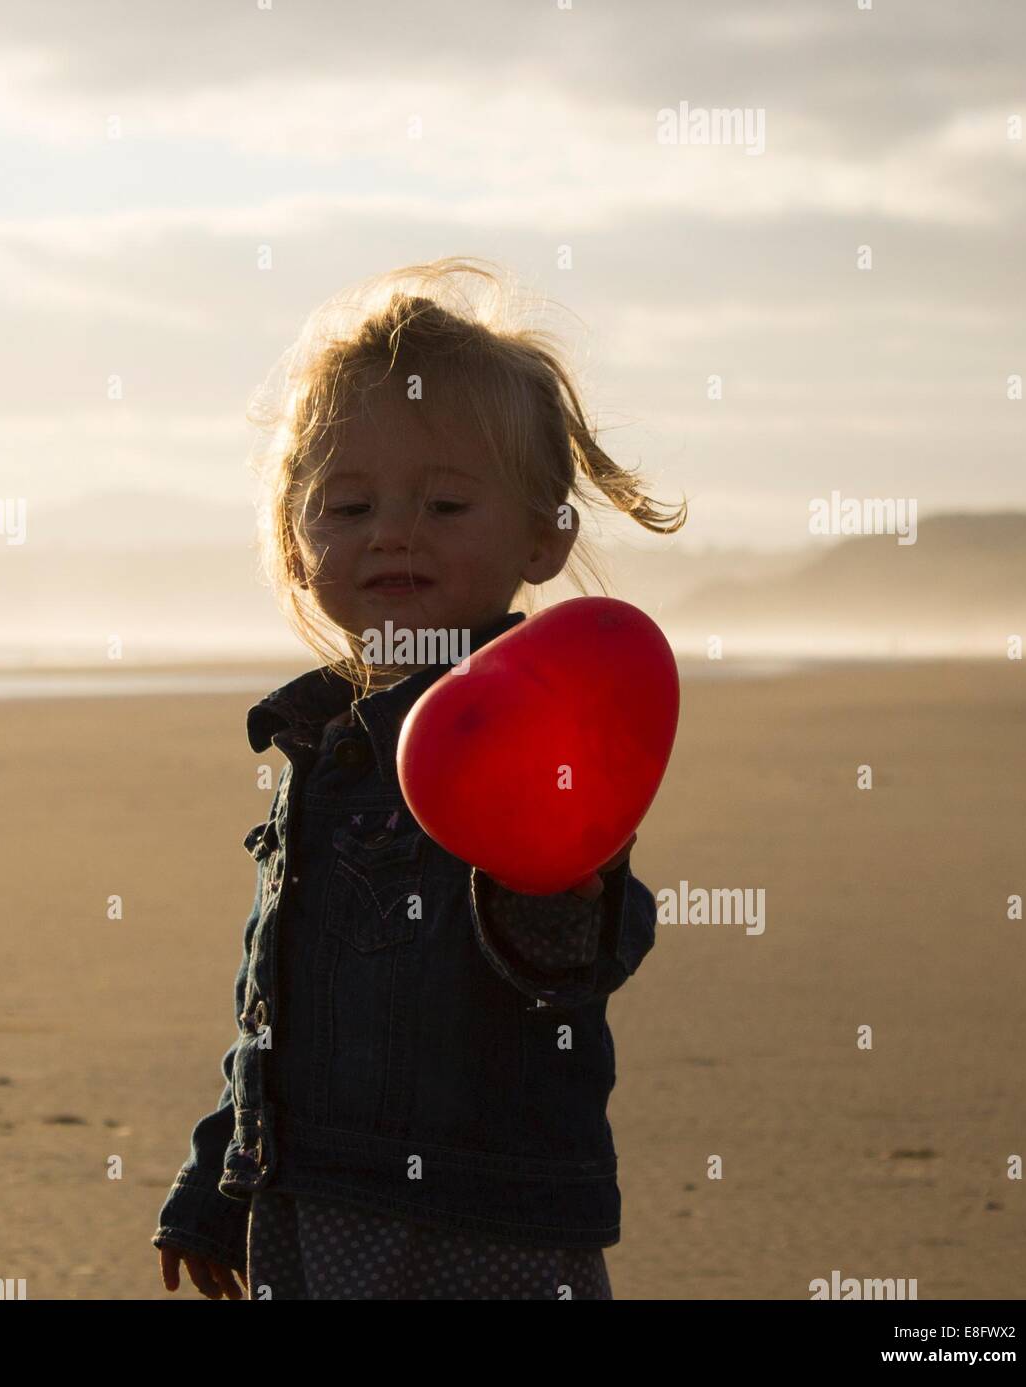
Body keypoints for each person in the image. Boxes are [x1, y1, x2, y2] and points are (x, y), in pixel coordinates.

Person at [154, 257, 686, 1300]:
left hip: (481, 1215)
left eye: (443, 503)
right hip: (308, 1199)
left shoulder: (539, 714)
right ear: (297, 543)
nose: (392, 530)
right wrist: (221, 1179)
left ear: (544, 535)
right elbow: (279, 1006)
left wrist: (552, 894)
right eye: (348, 506)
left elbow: (588, 954)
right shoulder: (320, 744)